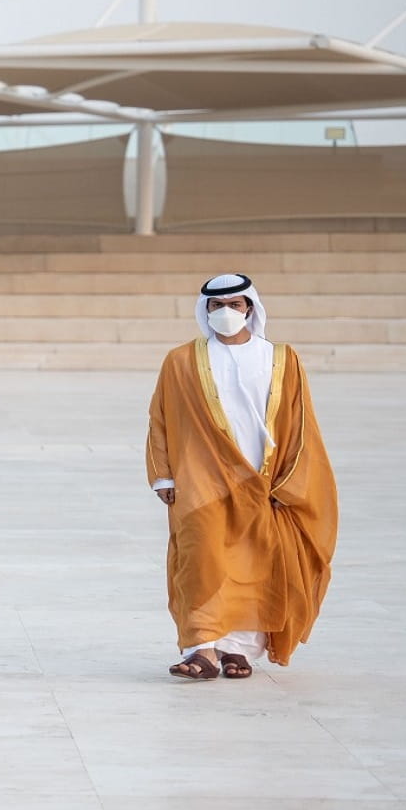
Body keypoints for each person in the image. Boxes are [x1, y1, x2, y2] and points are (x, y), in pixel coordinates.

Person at [148, 274, 337, 680]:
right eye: (217, 306)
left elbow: (301, 423)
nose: (226, 313)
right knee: (200, 559)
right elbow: (160, 418)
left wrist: (289, 481)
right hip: (200, 479)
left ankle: (237, 649)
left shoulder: (281, 358)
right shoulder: (181, 360)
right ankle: (201, 648)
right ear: (206, 311)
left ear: (250, 308)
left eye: (235, 305)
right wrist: (162, 475)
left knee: (254, 562)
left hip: (263, 478)